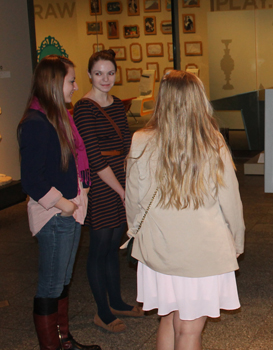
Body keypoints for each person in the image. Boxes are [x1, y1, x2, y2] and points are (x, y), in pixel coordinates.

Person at [125, 70, 245, 350]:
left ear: (162, 100)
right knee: (189, 332)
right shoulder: (213, 142)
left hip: (159, 249)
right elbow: (231, 202)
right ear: (198, 100)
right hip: (202, 252)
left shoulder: (141, 140)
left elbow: (133, 199)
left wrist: (136, 232)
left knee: (168, 319)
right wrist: (237, 242)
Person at [18, 55, 101, 350]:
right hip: (54, 216)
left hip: (71, 211)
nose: (76, 86)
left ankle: (64, 340)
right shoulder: (36, 122)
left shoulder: (59, 117)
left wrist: (77, 198)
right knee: (50, 286)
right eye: (71, 81)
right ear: (53, 83)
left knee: (63, 281)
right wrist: (62, 204)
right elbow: (30, 179)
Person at [73, 50, 142, 333]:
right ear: (89, 75)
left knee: (114, 244)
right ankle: (102, 312)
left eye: (110, 73)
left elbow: (127, 144)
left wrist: (129, 183)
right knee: (99, 249)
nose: (105, 79)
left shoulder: (116, 104)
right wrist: (121, 190)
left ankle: (117, 301)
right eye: (99, 73)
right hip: (102, 185)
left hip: (121, 179)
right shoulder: (84, 107)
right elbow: (92, 155)